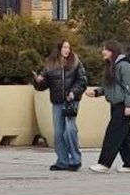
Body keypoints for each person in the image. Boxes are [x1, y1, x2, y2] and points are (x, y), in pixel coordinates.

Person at [32, 40, 88, 171]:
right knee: (58, 133)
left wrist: (74, 92)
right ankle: (62, 161)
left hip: (71, 101)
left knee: (70, 130)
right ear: (59, 49)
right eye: (64, 47)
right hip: (57, 102)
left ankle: (75, 160)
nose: (67, 50)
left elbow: (82, 81)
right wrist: (38, 81)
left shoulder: (76, 63)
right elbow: (43, 86)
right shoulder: (50, 65)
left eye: (69, 47)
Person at [87, 41, 130, 173]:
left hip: (123, 105)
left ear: (113, 51)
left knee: (113, 134)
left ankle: (104, 163)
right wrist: (97, 92)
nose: (102, 52)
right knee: (124, 135)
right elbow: (110, 87)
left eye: (105, 49)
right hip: (116, 105)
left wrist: (129, 105)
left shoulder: (124, 66)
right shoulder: (112, 66)